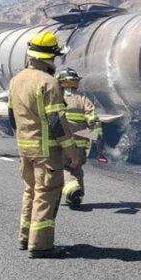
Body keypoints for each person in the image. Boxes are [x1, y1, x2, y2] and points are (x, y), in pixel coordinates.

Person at [8, 31, 80, 259]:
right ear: (48, 57)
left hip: (25, 148)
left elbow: (12, 116)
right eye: (54, 57)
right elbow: (56, 121)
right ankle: (40, 245)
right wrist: (71, 150)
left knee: (30, 191)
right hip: (46, 151)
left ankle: (25, 237)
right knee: (46, 194)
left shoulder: (16, 80)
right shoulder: (49, 83)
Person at [55, 67, 101, 208]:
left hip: (61, 144)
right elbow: (93, 119)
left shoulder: (56, 98)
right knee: (77, 169)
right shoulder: (83, 99)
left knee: (62, 169)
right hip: (80, 145)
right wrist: (96, 136)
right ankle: (76, 197)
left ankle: (72, 189)